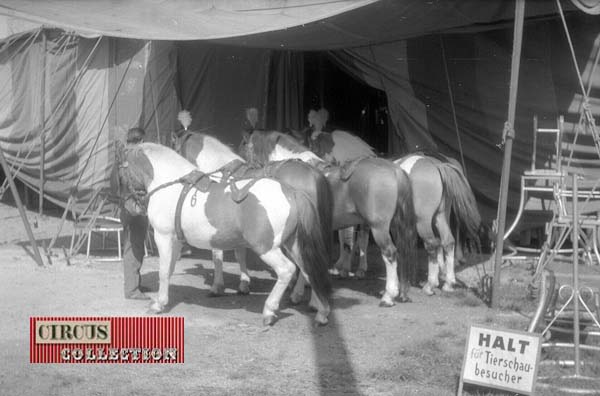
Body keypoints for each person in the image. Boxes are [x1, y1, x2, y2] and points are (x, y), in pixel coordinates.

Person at [118, 127, 149, 300]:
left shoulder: (123, 155)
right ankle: (131, 290)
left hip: (126, 205)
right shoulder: (136, 157)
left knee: (135, 246)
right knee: (134, 247)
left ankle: (135, 283)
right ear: (141, 141)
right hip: (135, 206)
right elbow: (139, 182)